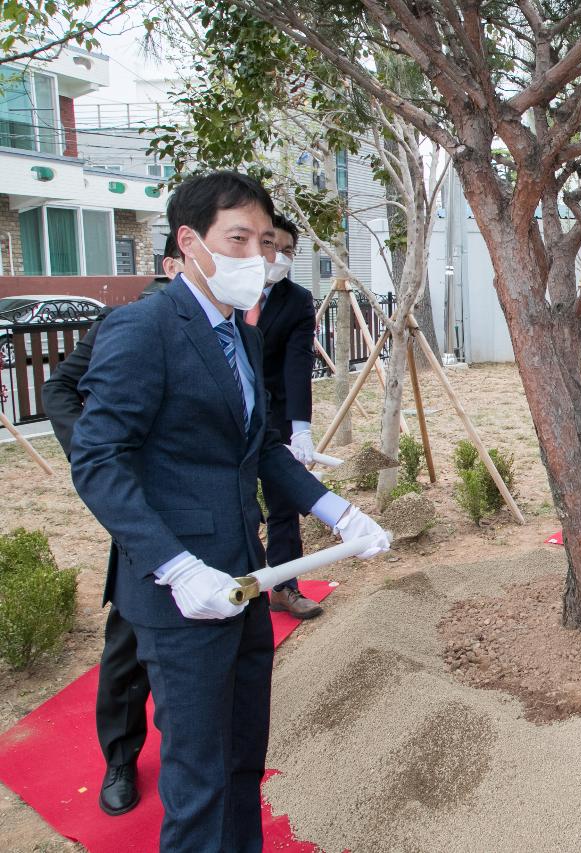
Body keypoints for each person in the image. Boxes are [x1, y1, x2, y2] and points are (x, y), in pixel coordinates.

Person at [70, 171, 390, 850]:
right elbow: (97, 460)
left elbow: (261, 451)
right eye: (237, 239)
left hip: (245, 582)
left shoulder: (238, 335)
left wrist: (338, 510)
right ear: (190, 242)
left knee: (244, 763)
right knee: (199, 781)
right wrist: (178, 566)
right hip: (182, 598)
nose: (257, 257)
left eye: (265, 242)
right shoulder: (143, 329)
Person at [41, 231, 183, 817]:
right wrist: (98, 456)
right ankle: (120, 756)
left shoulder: (229, 326)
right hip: (139, 501)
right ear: (177, 258)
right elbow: (58, 388)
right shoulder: (129, 322)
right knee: (131, 630)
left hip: (201, 498)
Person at [251, 215, 324, 619]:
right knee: (239, 507)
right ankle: (240, 586)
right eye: (271, 246)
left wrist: (301, 431)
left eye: (289, 251)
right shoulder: (224, 292)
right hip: (226, 420)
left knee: (284, 504)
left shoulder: (295, 300)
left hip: (276, 415)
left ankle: (284, 586)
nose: (279, 257)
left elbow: (298, 366)